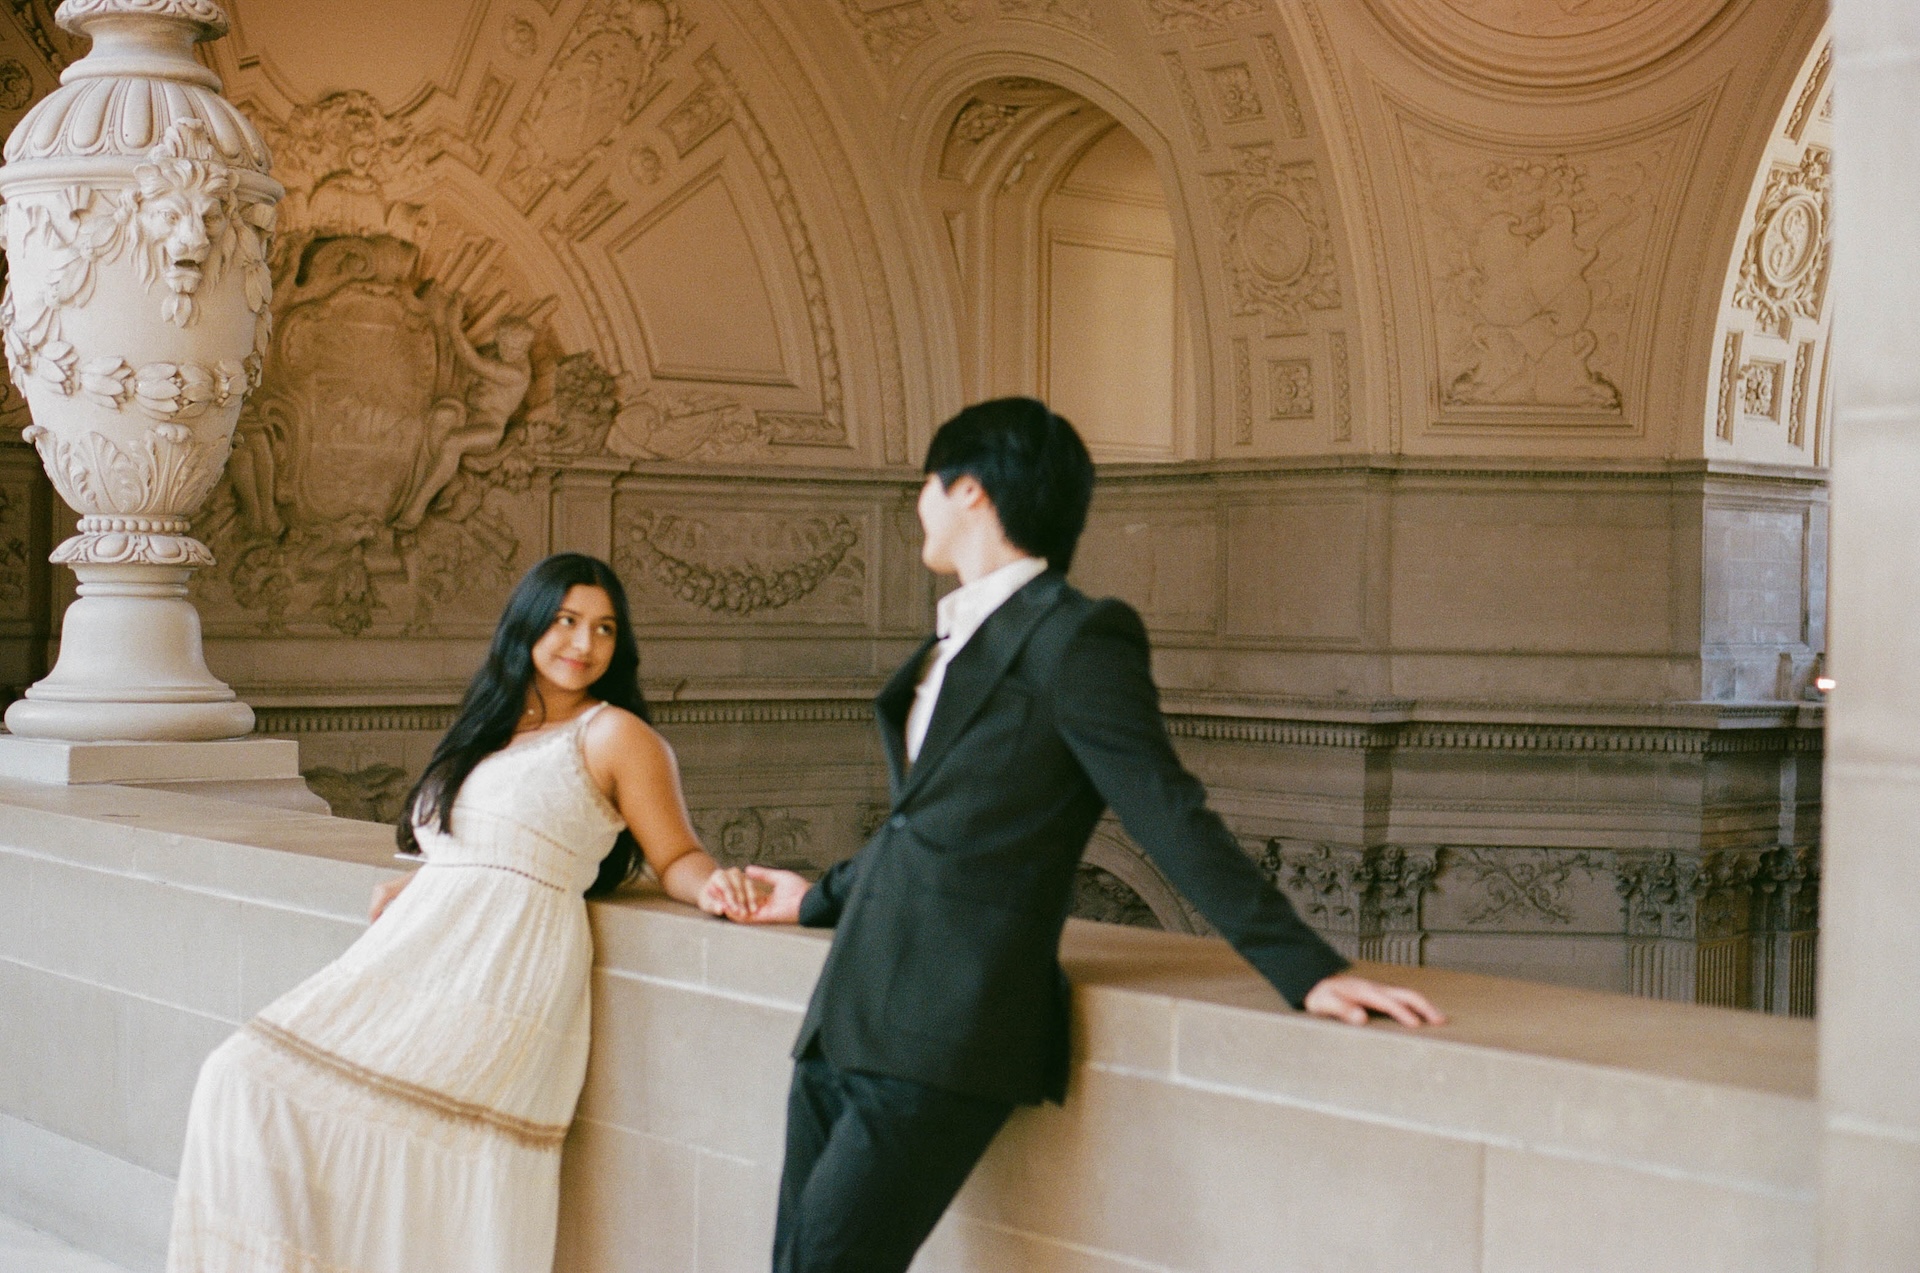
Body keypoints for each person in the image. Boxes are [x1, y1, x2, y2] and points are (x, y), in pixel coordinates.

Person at [741, 398, 1446, 1273]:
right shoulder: (954, 638)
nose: (916, 504)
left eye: (927, 484)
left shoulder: (1079, 636)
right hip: (848, 1014)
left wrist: (1308, 970)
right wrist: (814, 896)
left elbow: (1166, 810)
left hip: (945, 1025)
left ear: (970, 490)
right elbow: (933, 827)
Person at [165, 553, 761, 1273]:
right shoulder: (490, 726)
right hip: (422, 954)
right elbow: (467, 845)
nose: (584, 643)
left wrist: (718, 887)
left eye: (604, 628)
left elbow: (676, 856)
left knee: (431, 1154)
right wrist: (421, 889)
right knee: (240, 1076)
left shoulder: (616, 736)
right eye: (567, 620)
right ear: (528, 624)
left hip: (505, 970)